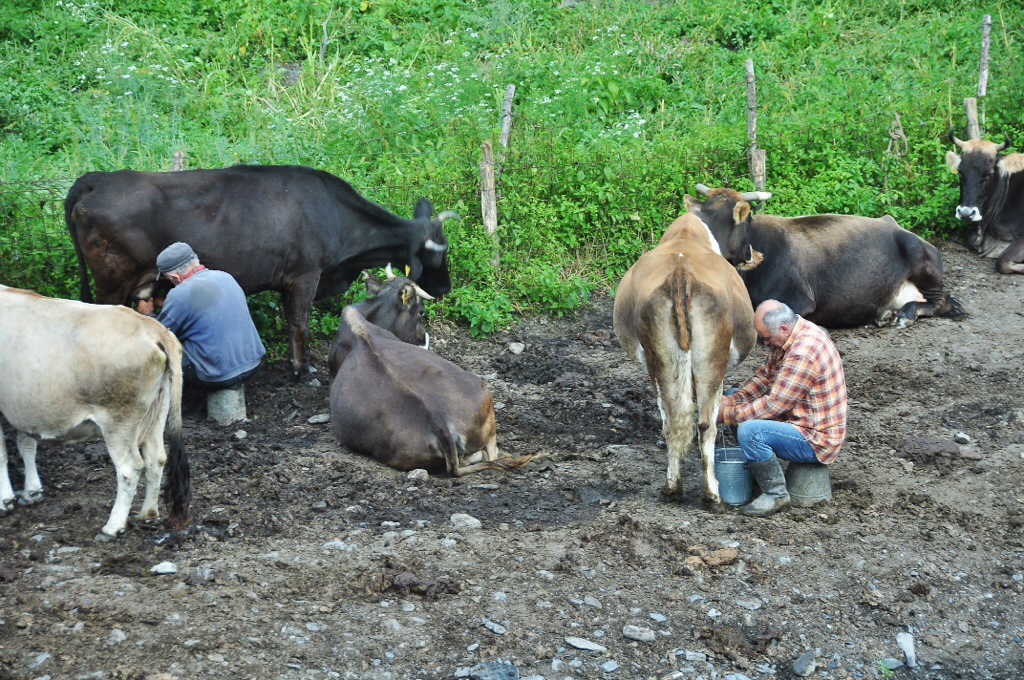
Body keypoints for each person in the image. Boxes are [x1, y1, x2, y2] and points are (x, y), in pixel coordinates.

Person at [717, 300, 847, 517]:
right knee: (733, 397)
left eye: (767, 338)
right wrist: (731, 401)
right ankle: (760, 473)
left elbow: (774, 405)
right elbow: (764, 379)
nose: (765, 343)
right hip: (798, 418)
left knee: (750, 431)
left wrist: (725, 414)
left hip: (815, 438)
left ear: (784, 328)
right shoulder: (789, 336)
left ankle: (776, 494)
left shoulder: (803, 354)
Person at [138, 242, 265, 391]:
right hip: (254, 363)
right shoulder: (225, 277)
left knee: (166, 349)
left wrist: (148, 314)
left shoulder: (179, 295)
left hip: (216, 376)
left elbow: (160, 336)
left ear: (174, 277)